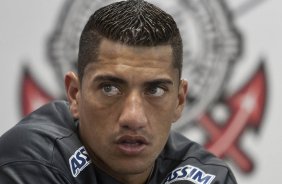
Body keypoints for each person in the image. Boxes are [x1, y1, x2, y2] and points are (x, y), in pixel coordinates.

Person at [0, 0, 237, 183]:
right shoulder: (32, 159)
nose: (133, 118)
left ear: (179, 100)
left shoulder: (208, 175)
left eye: (154, 90)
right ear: (74, 94)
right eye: (109, 88)